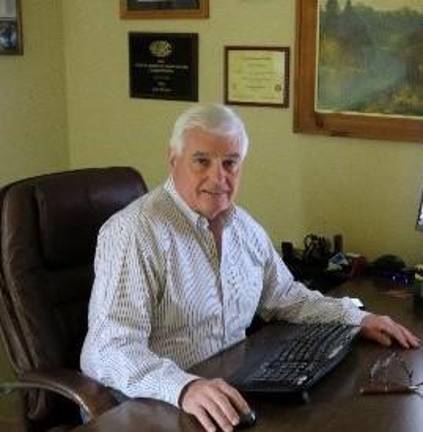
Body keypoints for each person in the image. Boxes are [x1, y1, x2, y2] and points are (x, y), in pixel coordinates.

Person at [81, 104, 419, 432]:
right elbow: (109, 350)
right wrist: (184, 387)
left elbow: (287, 297)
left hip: (228, 391)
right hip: (154, 403)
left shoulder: (244, 228)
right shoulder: (135, 233)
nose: (218, 177)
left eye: (230, 163)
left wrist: (356, 318)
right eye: (202, 161)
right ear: (174, 160)